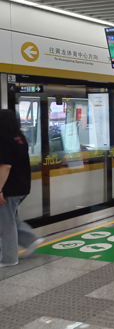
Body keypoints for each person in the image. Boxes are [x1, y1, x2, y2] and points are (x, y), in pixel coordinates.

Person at [0, 109, 44, 267]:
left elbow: (5, 166)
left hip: (10, 188)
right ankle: (31, 238)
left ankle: (9, 258)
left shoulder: (4, 139)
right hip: (22, 186)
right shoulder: (20, 138)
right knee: (10, 217)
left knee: (6, 222)